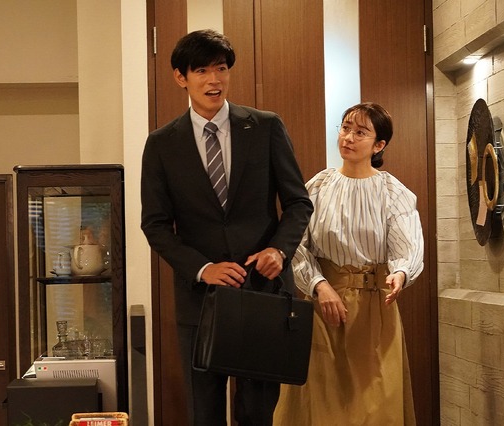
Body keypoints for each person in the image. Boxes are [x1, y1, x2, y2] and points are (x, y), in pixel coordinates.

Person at [140, 29, 313, 426]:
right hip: (200, 301)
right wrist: (203, 269)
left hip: (263, 292)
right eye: (201, 71)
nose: (214, 80)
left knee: (258, 413)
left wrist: (279, 250)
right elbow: (156, 224)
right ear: (181, 77)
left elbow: (298, 202)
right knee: (205, 414)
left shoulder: (266, 127)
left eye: (221, 69)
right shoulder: (162, 144)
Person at [273, 102, 424, 426]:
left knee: (376, 407)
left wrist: (400, 273)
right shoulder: (318, 186)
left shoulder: (393, 192)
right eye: (345, 128)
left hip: (375, 309)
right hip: (324, 309)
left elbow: (408, 246)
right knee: (322, 405)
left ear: (379, 145)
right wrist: (319, 286)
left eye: (360, 132)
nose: (348, 137)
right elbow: (296, 245)